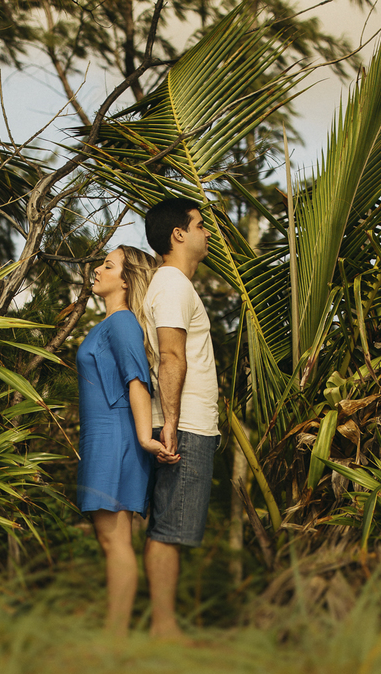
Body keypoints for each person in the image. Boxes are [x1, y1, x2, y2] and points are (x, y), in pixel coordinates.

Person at [76, 245, 174, 637]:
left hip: (117, 437)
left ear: (126, 279)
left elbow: (138, 382)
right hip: (104, 436)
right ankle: (114, 636)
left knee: (115, 541)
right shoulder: (110, 323)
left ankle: (114, 640)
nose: (97, 269)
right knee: (109, 540)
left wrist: (143, 439)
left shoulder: (121, 323)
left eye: (108, 265)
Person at [141, 198, 219, 641]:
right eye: (201, 226)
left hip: (185, 419)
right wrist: (171, 422)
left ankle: (163, 625)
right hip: (183, 421)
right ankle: (163, 628)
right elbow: (171, 354)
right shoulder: (171, 283)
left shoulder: (173, 284)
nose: (206, 234)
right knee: (171, 526)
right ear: (179, 234)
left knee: (172, 524)